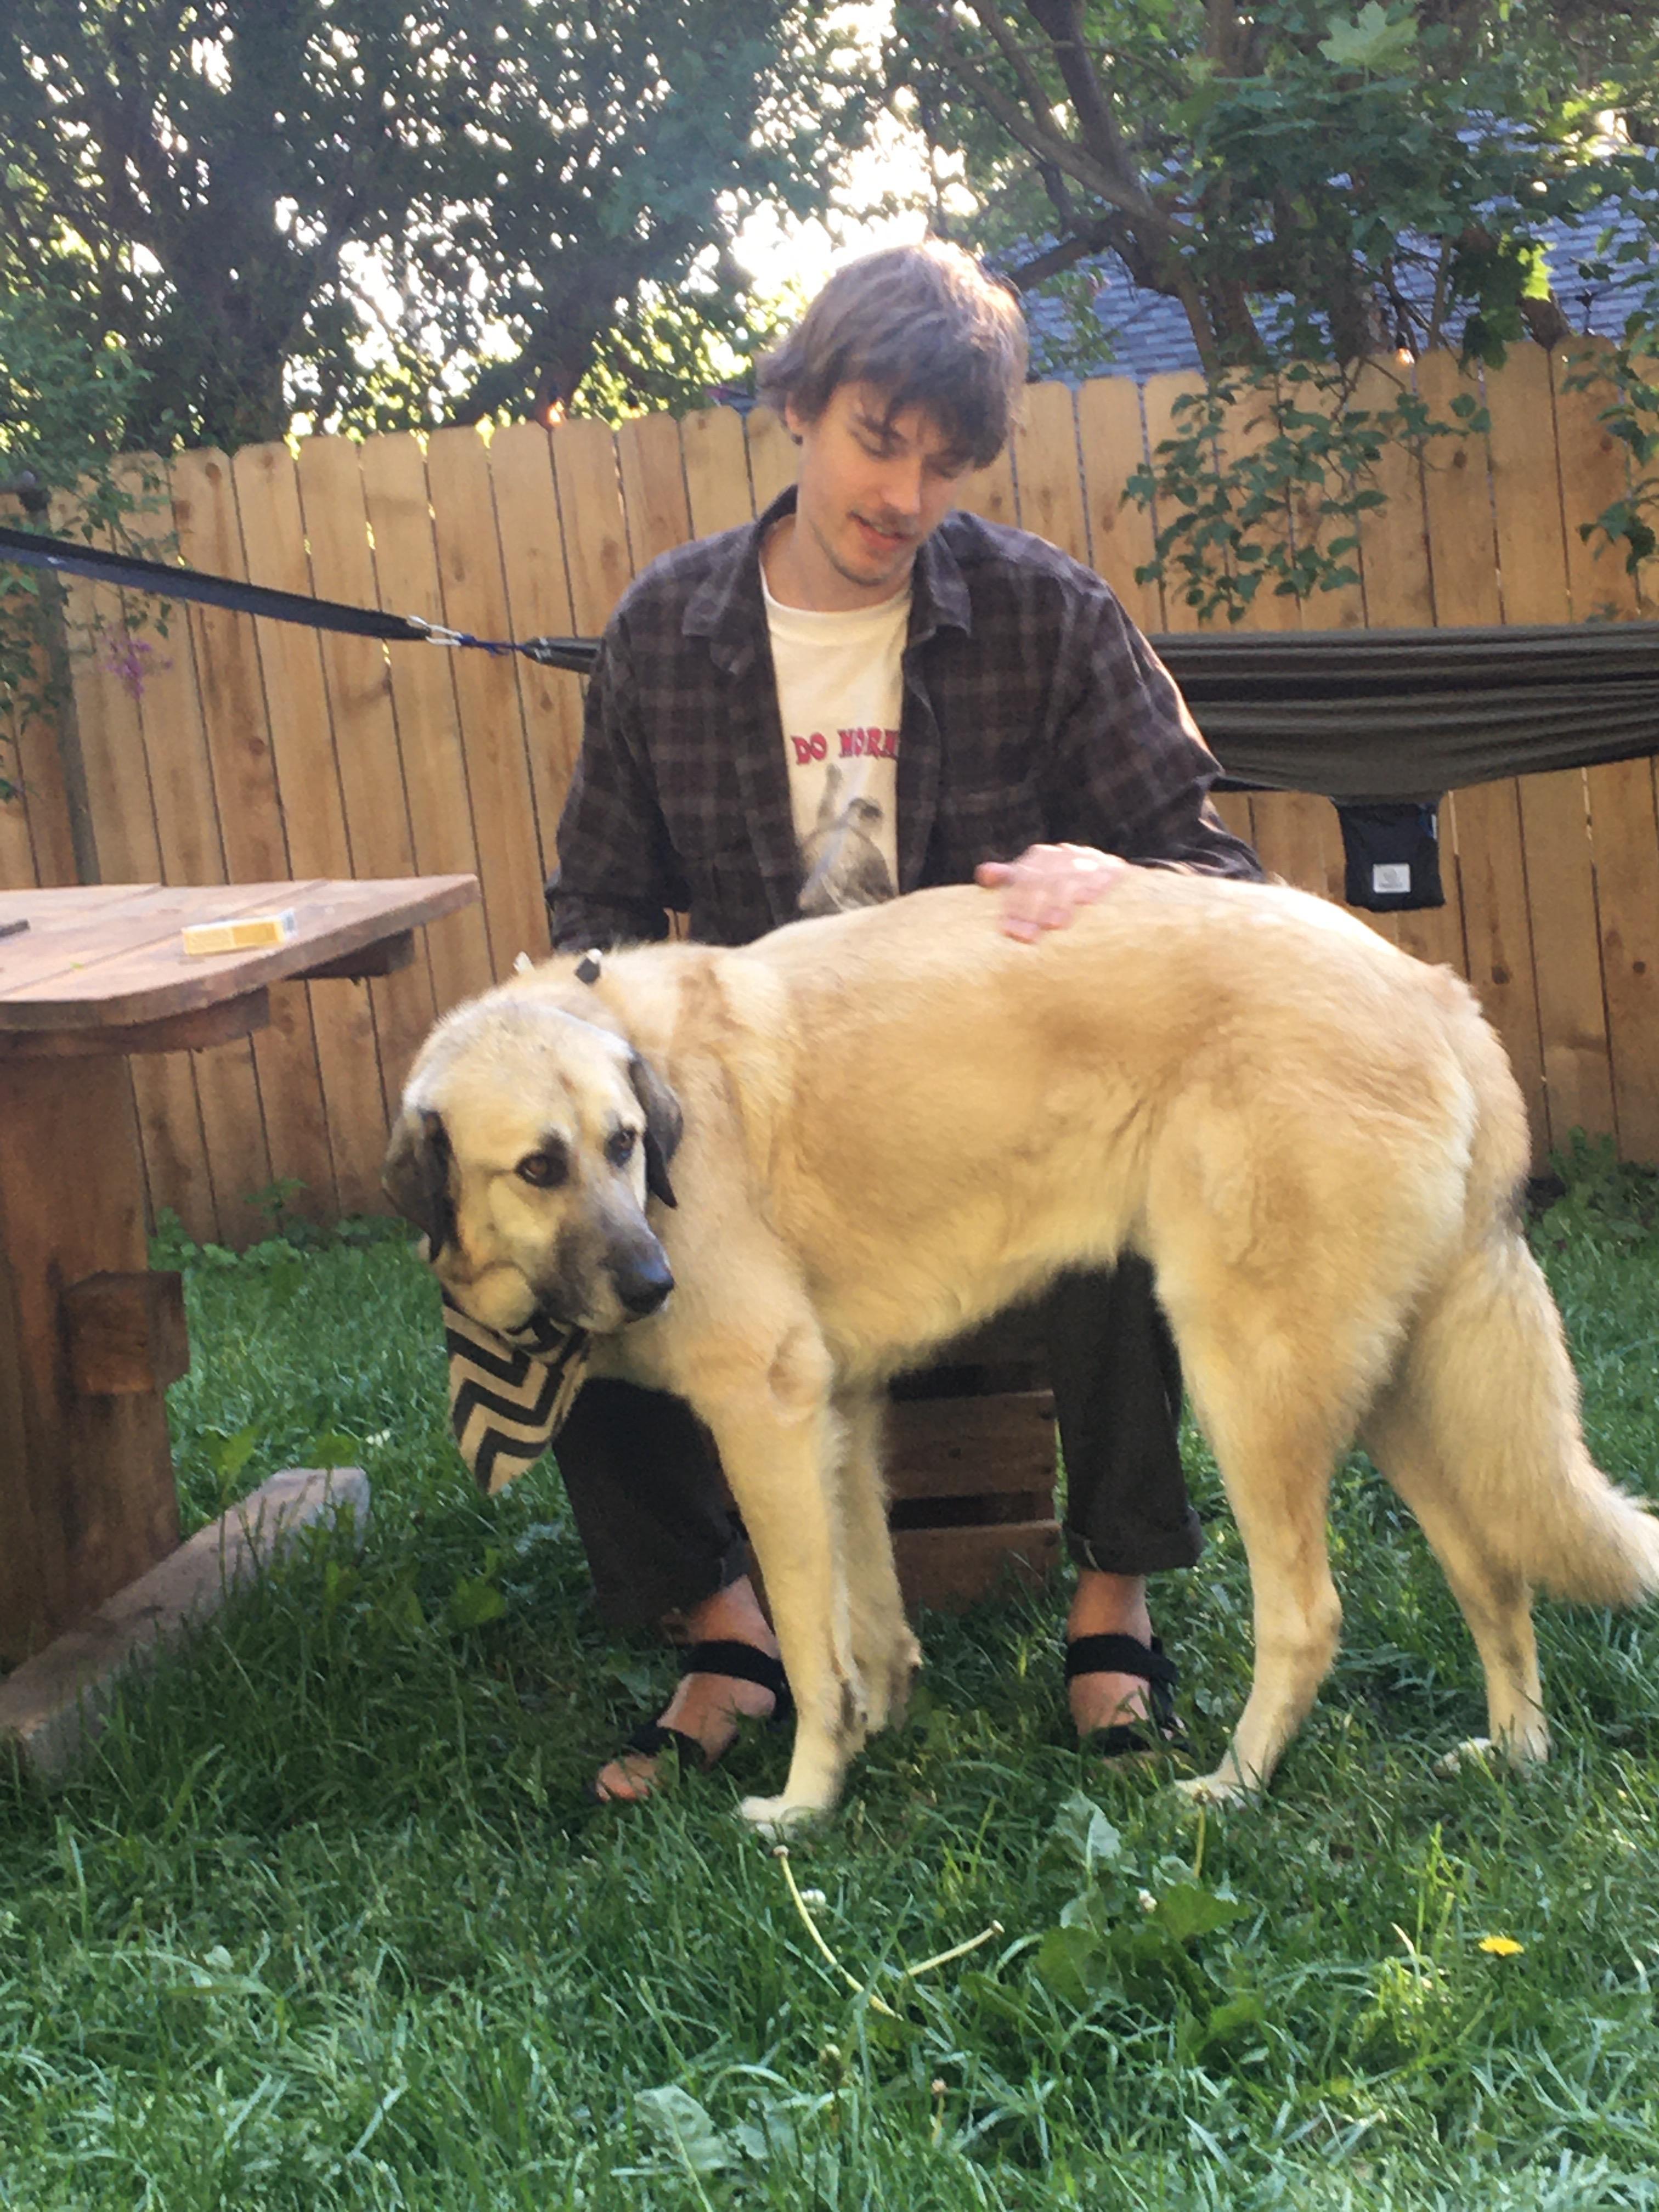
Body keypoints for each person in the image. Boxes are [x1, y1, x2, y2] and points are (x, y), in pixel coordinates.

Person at [544, 239, 1264, 1802]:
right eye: (881, 439)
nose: (906, 495)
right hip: (763, 1142)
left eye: (944, 465)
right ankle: (725, 1622)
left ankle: (1115, 1594)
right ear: (798, 405)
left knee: (1117, 1158)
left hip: (990, 1124)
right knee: (557, 1226)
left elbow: (1220, 879)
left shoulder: (1047, 617)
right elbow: (589, 923)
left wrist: (1118, 872)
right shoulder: (664, 634)